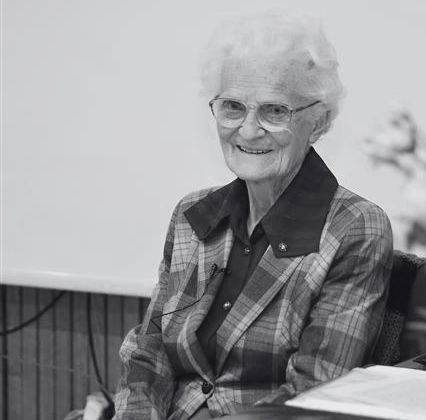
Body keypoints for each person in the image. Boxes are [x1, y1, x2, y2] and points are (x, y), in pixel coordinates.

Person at [113, 11, 393, 419]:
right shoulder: (192, 216)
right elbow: (147, 355)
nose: (247, 131)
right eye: (232, 107)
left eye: (274, 111)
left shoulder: (356, 229)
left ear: (318, 122)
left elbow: (313, 394)